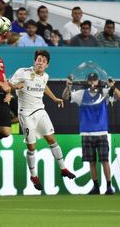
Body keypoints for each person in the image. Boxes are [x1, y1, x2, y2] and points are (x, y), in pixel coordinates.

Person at [9, 49, 76, 191]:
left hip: (40, 111)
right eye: (39, 59)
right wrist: (16, 87)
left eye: (44, 61)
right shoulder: (22, 72)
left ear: (47, 65)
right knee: (32, 147)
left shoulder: (45, 76)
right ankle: (34, 176)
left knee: (52, 140)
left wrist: (55, 98)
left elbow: (44, 86)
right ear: (35, 61)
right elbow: (8, 84)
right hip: (26, 113)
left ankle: (63, 169)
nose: (41, 62)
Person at [62, 73, 120, 194]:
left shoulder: (104, 93)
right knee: (92, 162)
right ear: (87, 82)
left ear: (97, 81)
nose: (92, 83)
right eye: (90, 81)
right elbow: (65, 97)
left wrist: (113, 87)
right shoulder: (81, 94)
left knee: (105, 161)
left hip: (101, 132)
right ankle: (96, 187)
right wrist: (67, 87)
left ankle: (109, 186)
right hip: (86, 133)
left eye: (94, 81)